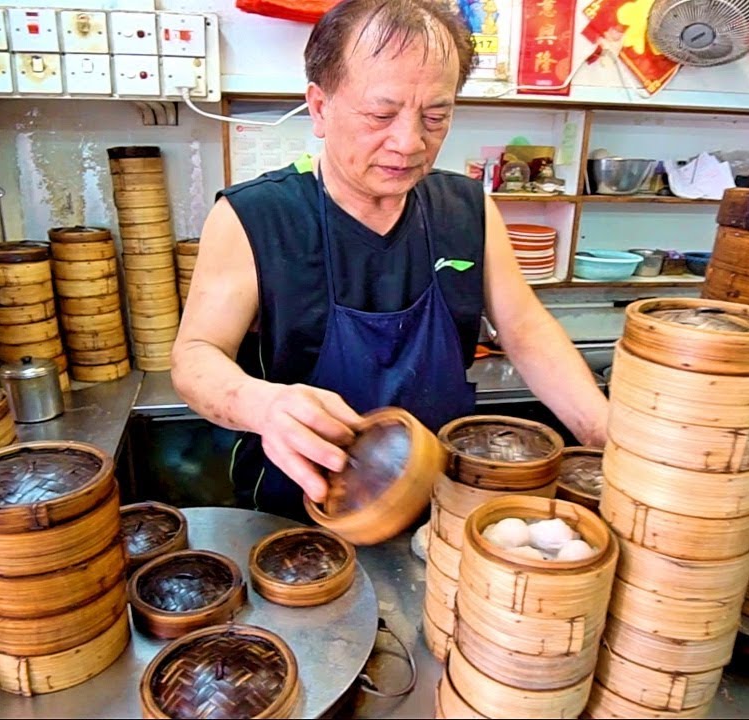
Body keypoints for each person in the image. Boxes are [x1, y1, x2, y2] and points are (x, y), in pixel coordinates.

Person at [171, 0, 609, 517]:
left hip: (445, 503)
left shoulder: (467, 207)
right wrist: (261, 404)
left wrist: (606, 434)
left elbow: (526, 331)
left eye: (435, 116)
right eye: (381, 114)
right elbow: (195, 357)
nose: (409, 142)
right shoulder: (255, 217)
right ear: (319, 107)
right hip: (300, 518)